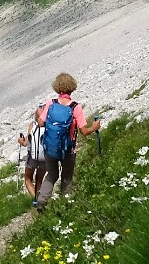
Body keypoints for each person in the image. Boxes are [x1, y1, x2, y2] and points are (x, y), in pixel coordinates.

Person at [33, 72, 100, 211]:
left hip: (49, 148)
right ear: (72, 87)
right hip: (67, 150)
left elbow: (40, 123)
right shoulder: (75, 107)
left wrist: (41, 114)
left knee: (52, 174)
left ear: (57, 87)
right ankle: (66, 206)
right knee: (67, 177)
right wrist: (95, 127)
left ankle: (41, 200)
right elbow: (84, 131)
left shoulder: (51, 103)